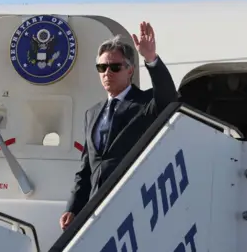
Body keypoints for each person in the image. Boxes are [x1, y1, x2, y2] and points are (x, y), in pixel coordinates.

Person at [59, 22, 178, 230]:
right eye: (102, 67)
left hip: (132, 205)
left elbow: (168, 98)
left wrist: (151, 59)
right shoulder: (92, 114)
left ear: (130, 70)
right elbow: (87, 169)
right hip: (95, 210)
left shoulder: (145, 104)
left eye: (115, 67)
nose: (107, 72)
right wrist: (73, 208)